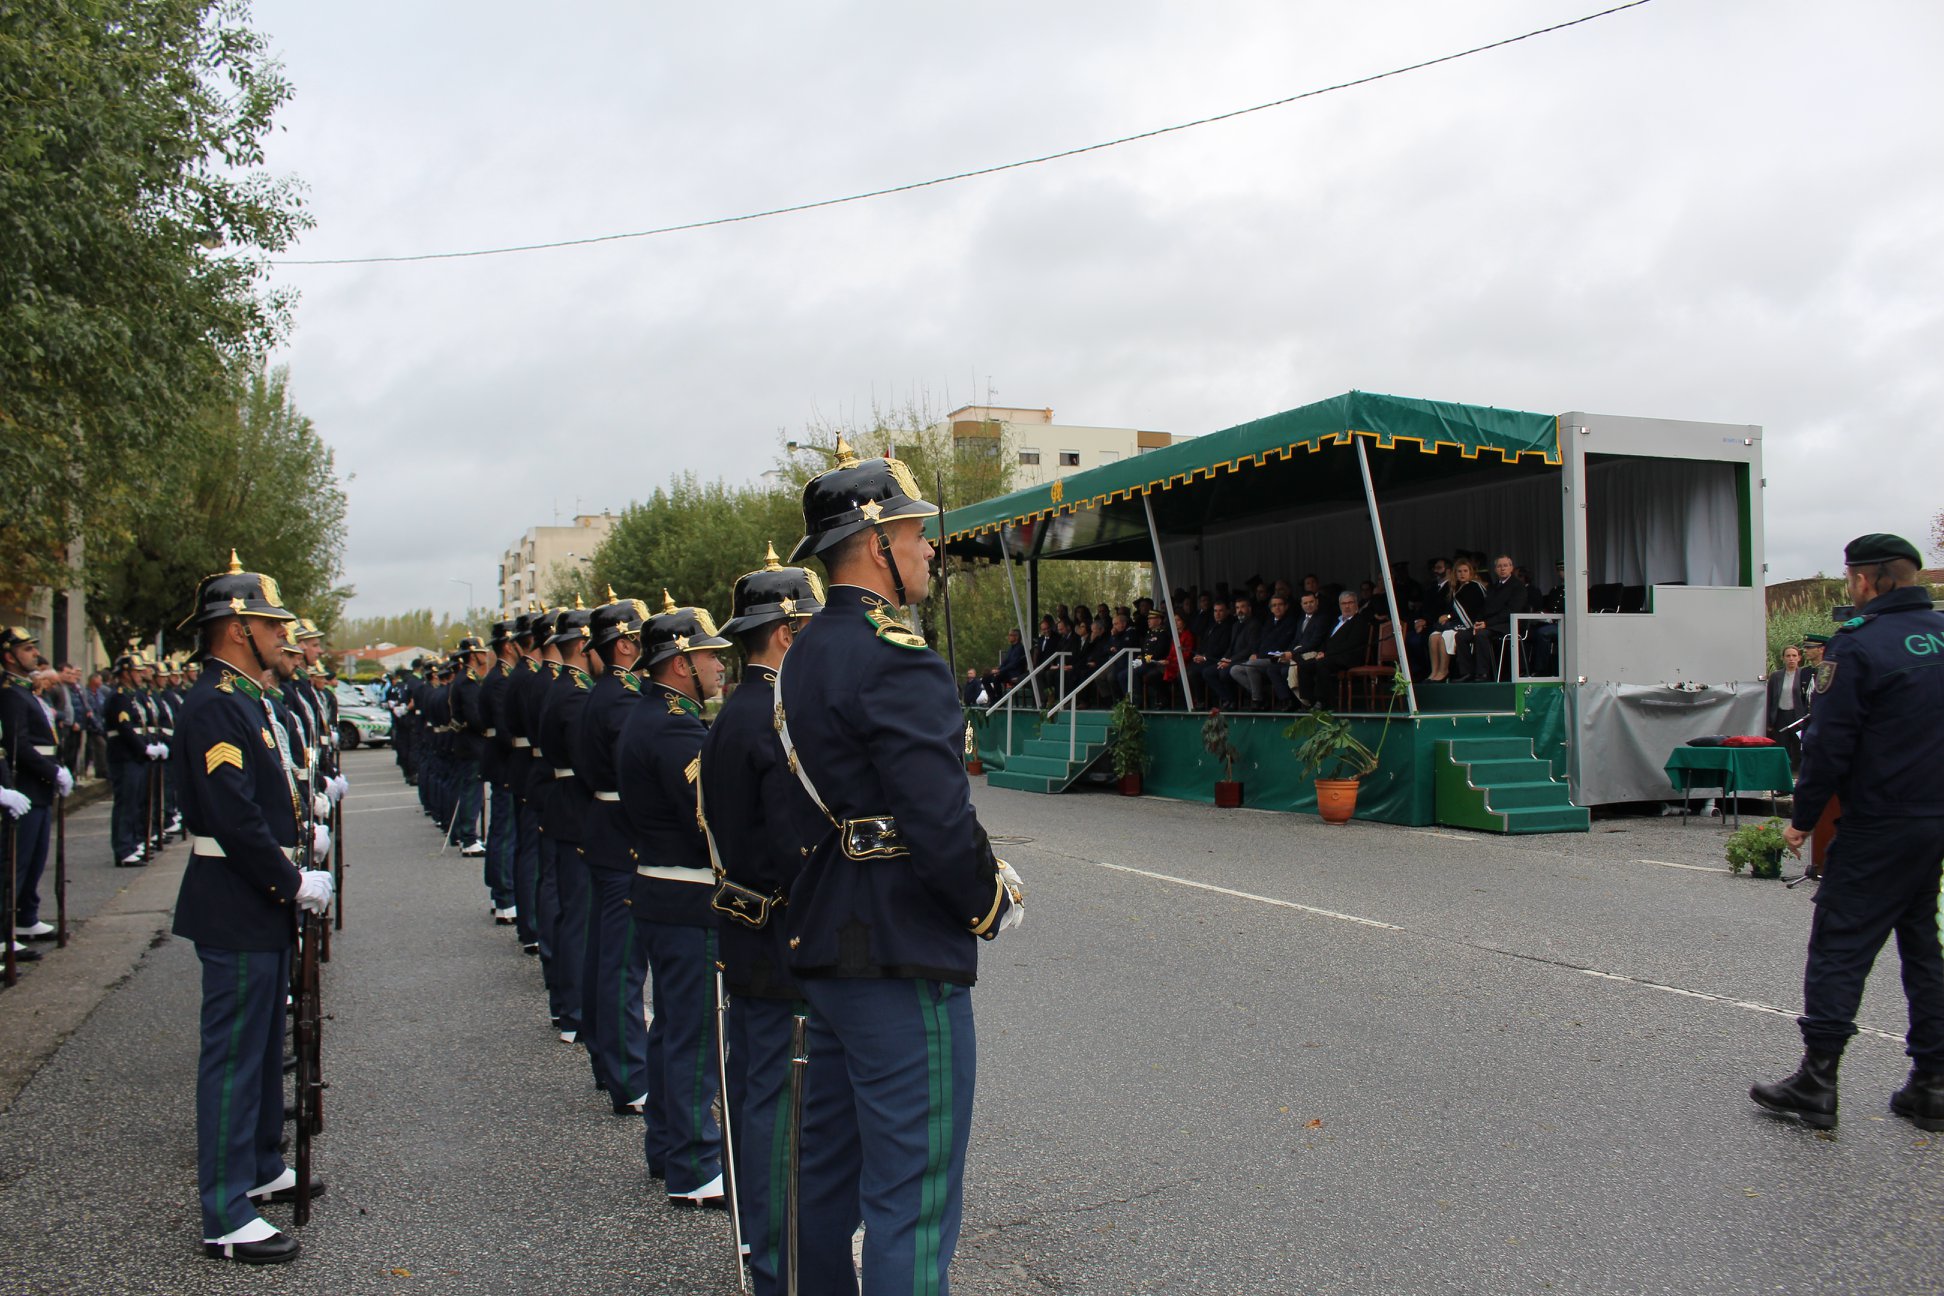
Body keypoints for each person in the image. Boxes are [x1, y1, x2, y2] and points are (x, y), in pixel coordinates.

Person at [780, 441, 1023, 1293]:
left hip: (829, 931)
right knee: (912, 1199)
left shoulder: (807, 650)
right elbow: (937, 820)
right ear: (876, 542)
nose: (930, 551)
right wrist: (987, 899)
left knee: (827, 1177)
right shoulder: (895, 655)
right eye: (918, 536)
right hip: (899, 944)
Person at [1751, 534, 1944, 1134]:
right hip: (1935, 819)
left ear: (1868, 580)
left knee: (1839, 944)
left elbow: (1830, 745)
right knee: (1922, 944)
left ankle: (1818, 1078)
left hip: (1881, 818)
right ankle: (1933, 1082)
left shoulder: (1857, 645)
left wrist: (1804, 818)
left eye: (1851, 577)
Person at [170, 552, 332, 1264]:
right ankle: (224, 1211)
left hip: (255, 899)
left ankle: (261, 1166)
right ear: (237, 629)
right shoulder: (214, 704)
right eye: (270, 623)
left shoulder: (243, 698)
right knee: (235, 1058)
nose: (280, 634)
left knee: (265, 1050)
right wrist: (290, 880)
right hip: (237, 900)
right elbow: (233, 819)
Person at [702, 545, 826, 1293]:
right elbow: (795, 844)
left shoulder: (734, 712)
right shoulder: (773, 719)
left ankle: (757, 1238)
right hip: (780, 931)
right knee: (779, 1106)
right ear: (783, 632)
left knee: (753, 1090)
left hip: (743, 927)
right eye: (807, 627)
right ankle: (776, 1258)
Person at [617, 592, 732, 1206]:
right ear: (683, 662)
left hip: (662, 893)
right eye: (712, 656)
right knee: (694, 1036)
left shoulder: (653, 717)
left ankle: (667, 1146)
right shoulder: (674, 727)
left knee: (671, 1033)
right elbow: (710, 820)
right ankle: (692, 1165)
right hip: (688, 898)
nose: (720, 666)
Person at [575, 593, 654, 1111]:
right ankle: (628, 1073)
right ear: (626, 644)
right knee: (622, 964)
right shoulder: (624, 699)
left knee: (606, 956)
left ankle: (609, 1061)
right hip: (624, 834)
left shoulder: (604, 692)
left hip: (604, 828)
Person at [534, 605, 596, 1045]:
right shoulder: (574, 692)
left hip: (564, 802)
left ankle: (567, 1003)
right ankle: (573, 1009)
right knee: (578, 914)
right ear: (581, 645)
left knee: (569, 907)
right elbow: (585, 760)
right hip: (576, 805)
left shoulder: (566, 686)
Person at [1, 628, 71, 952]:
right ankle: (6, 929)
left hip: (39, 784)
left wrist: (58, 767)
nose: (33, 654)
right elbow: (19, 745)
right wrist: (51, 770)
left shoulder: (26, 691)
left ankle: (25, 916)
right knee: (17, 861)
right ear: (9, 656)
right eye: (27, 649)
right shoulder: (10, 693)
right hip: (27, 783)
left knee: (35, 857)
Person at [1300, 590, 1373, 708]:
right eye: (1344, 604)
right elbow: (1327, 640)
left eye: (1350, 602)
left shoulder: (1360, 621)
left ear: (1356, 604)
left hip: (1349, 657)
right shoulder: (1337, 621)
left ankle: (1323, 702)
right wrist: (1321, 651)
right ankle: (1308, 701)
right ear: (1340, 606)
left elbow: (1351, 644)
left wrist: (1326, 654)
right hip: (1331, 656)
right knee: (1304, 665)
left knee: (1322, 664)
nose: (1347, 606)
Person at [1426, 558, 1485, 682]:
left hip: (1469, 624)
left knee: (1445, 636)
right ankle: (1434, 672)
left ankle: (1443, 671)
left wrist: (1449, 617)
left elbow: (1472, 610)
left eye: (1465, 571)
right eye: (1459, 571)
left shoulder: (1475, 587)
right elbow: (1451, 610)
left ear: (1471, 572)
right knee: (1433, 636)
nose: (1462, 574)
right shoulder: (1455, 587)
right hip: (1455, 623)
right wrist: (1447, 617)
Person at [1765, 644, 1813, 768]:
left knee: (1799, 745)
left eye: (1794, 656)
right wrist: (1769, 721)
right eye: (1788, 656)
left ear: (1799, 658)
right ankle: (1784, 774)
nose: (1791, 659)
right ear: (1783, 658)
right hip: (1781, 716)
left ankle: (1799, 775)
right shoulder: (1776, 676)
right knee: (1782, 747)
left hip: (1798, 717)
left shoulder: (1804, 674)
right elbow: (1770, 698)